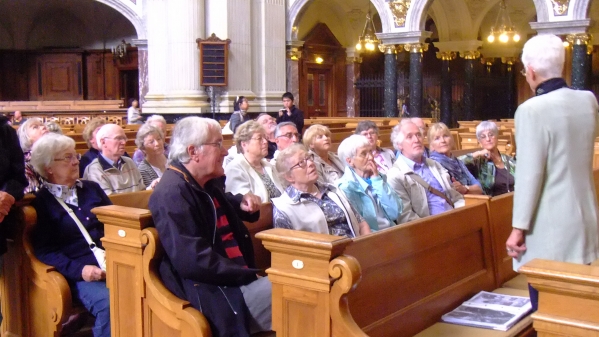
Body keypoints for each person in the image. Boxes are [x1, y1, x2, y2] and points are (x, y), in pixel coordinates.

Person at [149, 117, 271, 337]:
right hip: (218, 294)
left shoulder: (201, 182)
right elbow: (192, 260)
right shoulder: (172, 193)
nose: (225, 152)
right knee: (301, 292)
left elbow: (214, 206)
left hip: (234, 281)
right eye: (217, 144)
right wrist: (249, 275)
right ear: (193, 151)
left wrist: (242, 203)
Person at [505, 34, 599, 312]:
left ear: (531, 71)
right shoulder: (588, 100)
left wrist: (517, 228)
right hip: (586, 218)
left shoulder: (531, 110)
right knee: (579, 309)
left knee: (549, 311)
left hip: (551, 228)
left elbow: (529, 175)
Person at [29, 133, 111, 337]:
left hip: (115, 263)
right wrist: (80, 270)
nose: (76, 162)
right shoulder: (41, 203)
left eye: (76, 156)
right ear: (49, 167)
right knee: (110, 303)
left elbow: (116, 222)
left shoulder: (92, 188)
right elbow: (45, 251)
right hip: (80, 274)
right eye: (67, 158)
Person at [272, 143, 371, 237]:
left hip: (356, 248)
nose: (310, 163)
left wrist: (366, 246)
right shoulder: (284, 208)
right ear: (289, 177)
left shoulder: (333, 190)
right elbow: (286, 249)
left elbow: (361, 222)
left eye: (309, 158)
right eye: (301, 162)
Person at [387, 121, 464, 223]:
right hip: (429, 229)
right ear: (399, 145)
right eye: (409, 137)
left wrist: (463, 214)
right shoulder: (395, 176)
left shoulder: (434, 165)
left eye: (418, 135)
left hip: (454, 218)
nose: (416, 140)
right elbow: (406, 217)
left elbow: (455, 197)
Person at [337, 135, 402, 232]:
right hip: (372, 239)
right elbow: (359, 228)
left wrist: (377, 180)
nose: (371, 157)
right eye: (363, 154)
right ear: (350, 161)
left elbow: (395, 212)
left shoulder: (378, 177)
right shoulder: (346, 188)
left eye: (370, 152)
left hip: (392, 231)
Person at [225, 121, 283, 203]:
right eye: (259, 138)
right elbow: (247, 204)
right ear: (244, 144)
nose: (265, 142)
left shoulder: (268, 166)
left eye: (265, 138)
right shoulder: (235, 169)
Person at [83, 124, 145, 195]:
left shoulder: (129, 162)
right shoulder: (94, 169)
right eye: (118, 138)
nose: (124, 142)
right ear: (103, 142)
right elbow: (108, 202)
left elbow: (142, 191)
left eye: (124, 138)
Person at [459, 121, 516, 196]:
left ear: (497, 137)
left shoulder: (509, 160)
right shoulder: (477, 162)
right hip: (493, 203)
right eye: (483, 137)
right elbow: (456, 163)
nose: (488, 139)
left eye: (491, 135)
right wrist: (478, 153)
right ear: (479, 142)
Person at [428, 123, 483, 195]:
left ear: (451, 139)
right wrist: (470, 189)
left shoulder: (458, 161)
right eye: (437, 138)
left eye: (445, 136)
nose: (443, 140)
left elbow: (479, 188)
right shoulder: (433, 164)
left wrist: (465, 188)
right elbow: (448, 193)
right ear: (431, 145)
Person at [17, 118, 49, 194]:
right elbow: (31, 195)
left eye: (42, 125)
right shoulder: (25, 163)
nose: (43, 127)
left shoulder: (57, 154)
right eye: (35, 127)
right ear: (26, 137)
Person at [135, 124, 166, 189]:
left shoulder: (171, 159)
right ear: (143, 148)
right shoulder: (143, 170)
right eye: (151, 142)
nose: (157, 144)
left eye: (159, 139)